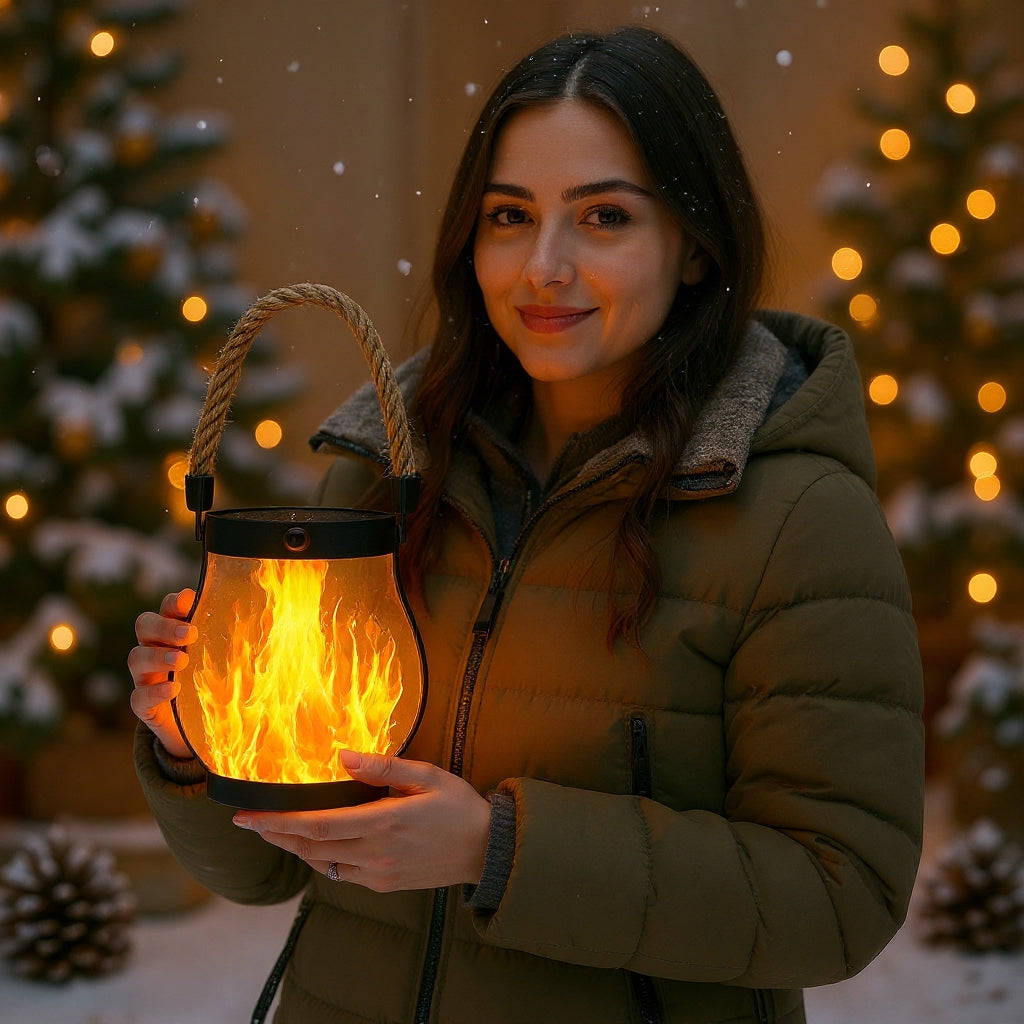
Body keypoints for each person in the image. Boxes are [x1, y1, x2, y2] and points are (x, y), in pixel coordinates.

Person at [128, 25, 924, 1024]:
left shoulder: (794, 518)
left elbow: (839, 895)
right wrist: (194, 741)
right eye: (510, 215)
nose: (542, 266)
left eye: (602, 216)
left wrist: (495, 848)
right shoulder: (384, 477)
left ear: (692, 248)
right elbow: (262, 868)